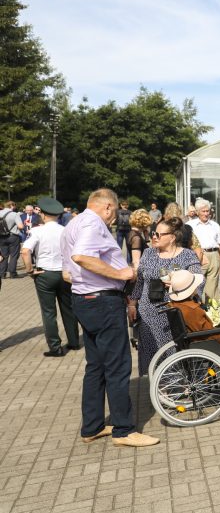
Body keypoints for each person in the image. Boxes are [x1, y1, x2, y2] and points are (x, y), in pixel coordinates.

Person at [62, 188, 159, 448]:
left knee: (95, 366)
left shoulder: (73, 224)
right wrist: (122, 275)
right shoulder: (93, 224)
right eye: (114, 213)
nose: (114, 219)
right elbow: (81, 257)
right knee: (117, 366)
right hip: (103, 301)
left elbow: (67, 273)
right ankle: (124, 430)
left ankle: (92, 426)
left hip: (84, 300)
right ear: (107, 207)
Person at [128, 216, 202, 377]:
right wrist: (132, 304)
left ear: (172, 237)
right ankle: (159, 390)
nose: (154, 236)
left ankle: (179, 388)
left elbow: (198, 281)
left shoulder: (187, 255)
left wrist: (180, 282)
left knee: (174, 353)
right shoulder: (148, 253)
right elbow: (139, 281)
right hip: (148, 314)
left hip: (174, 313)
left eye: (159, 234)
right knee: (151, 354)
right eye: (153, 233)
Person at [20, 197, 81, 357]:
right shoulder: (65, 230)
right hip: (64, 273)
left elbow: (25, 251)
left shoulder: (37, 231)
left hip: (45, 274)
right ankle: (74, 342)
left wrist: (29, 270)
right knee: (69, 308)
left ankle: (55, 347)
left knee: (49, 312)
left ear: (44, 215)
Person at [187, 198, 220, 301]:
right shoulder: (190, 225)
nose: (206, 213)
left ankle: (210, 310)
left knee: (212, 287)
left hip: (214, 255)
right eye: (203, 211)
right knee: (197, 284)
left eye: (207, 211)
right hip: (198, 255)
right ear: (197, 212)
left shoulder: (215, 225)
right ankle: (198, 308)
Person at [1, 201, 24, 278]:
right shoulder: (14, 214)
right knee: (14, 255)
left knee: (4, 255)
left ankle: (2, 273)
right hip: (13, 236)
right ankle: (12, 273)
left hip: (1, 237)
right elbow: (20, 226)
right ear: (11, 205)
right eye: (14, 206)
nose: (14, 207)